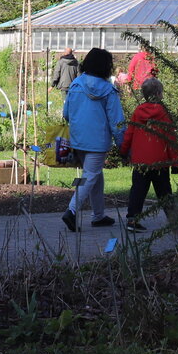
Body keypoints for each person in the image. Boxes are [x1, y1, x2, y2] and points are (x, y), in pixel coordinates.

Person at [60, 47, 125, 232]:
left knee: (95, 176)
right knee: (90, 176)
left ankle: (98, 215)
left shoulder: (76, 84)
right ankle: (71, 211)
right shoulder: (109, 90)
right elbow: (117, 122)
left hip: (78, 139)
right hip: (98, 141)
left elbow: (66, 113)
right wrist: (123, 145)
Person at [120, 77, 178, 232]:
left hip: (141, 161)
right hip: (160, 161)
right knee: (164, 192)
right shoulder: (163, 112)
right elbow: (171, 138)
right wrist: (175, 163)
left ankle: (132, 219)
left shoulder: (138, 111)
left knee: (138, 191)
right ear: (159, 94)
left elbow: (129, 133)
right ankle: (175, 220)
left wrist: (124, 151)